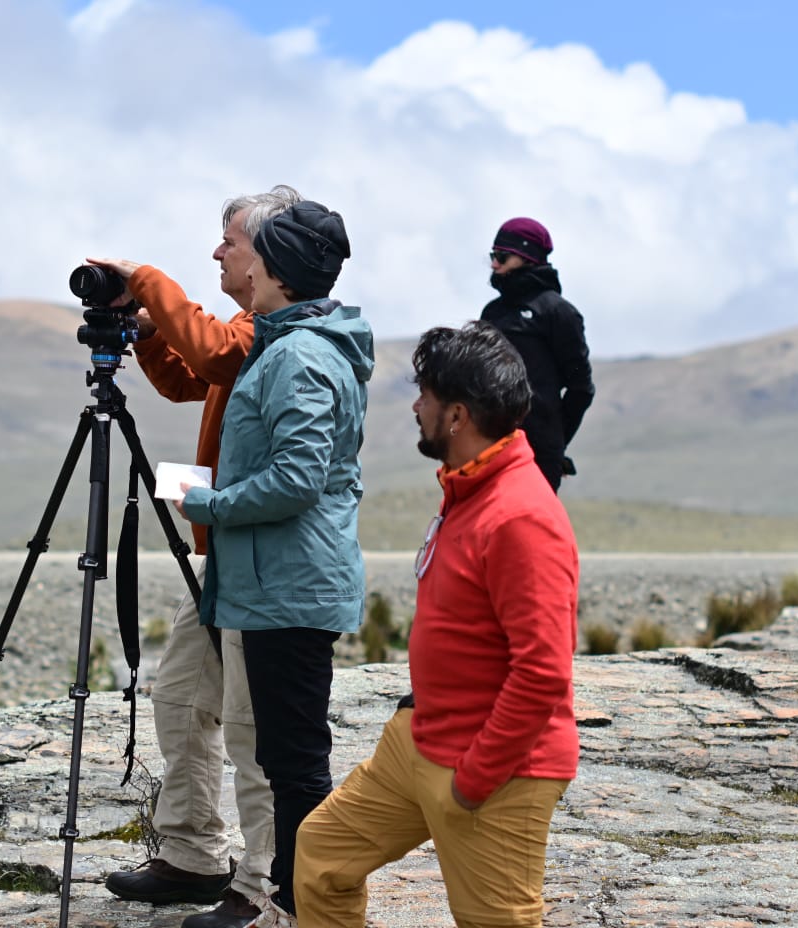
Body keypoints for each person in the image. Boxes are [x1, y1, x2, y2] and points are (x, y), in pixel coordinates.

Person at [293, 321, 579, 928]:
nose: (416, 406)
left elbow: (543, 671)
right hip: (419, 739)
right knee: (323, 855)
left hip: (492, 769)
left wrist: (475, 780)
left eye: (425, 395)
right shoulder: (468, 490)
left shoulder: (521, 515)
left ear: (457, 415)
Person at [87, 184, 302, 928]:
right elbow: (186, 379)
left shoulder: (270, 333)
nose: (217, 251)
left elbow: (211, 358)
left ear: (269, 255)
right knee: (181, 697)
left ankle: (260, 881)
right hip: (216, 556)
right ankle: (189, 856)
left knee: (248, 727)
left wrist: (143, 277)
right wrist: (147, 330)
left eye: (229, 241)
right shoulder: (245, 323)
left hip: (253, 557)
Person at [177, 200, 373, 927]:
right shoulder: (295, 345)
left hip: (289, 586)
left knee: (293, 766)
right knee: (290, 761)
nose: (238, 264)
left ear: (277, 269)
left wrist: (212, 505)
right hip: (275, 582)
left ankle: (304, 909)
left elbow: (297, 477)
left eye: (248, 252)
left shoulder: (299, 355)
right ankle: (297, 905)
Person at [480, 217, 595, 492]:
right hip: (486, 449)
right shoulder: (492, 313)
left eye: (502, 256)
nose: (495, 264)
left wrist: (554, 443)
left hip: (536, 456)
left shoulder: (559, 313)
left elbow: (581, 388)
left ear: (527, 257)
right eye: (492, 256)